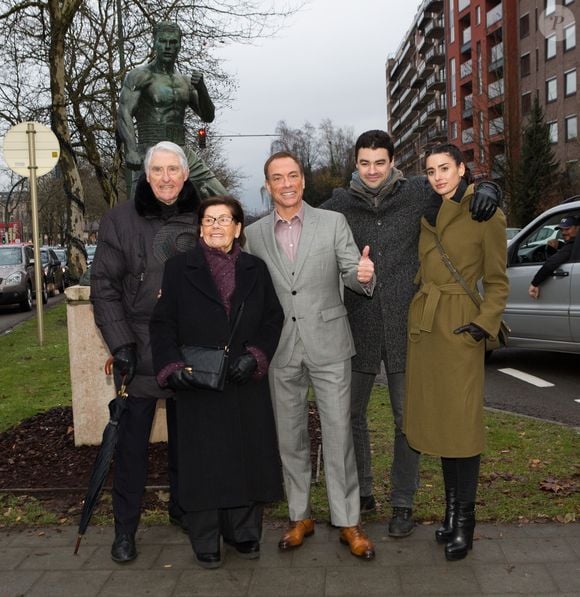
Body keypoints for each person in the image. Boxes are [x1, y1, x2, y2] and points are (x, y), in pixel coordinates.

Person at [321, 130, 501, 538]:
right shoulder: (338, 204)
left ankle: (403, 503)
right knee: (350, 416)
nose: (372, 170)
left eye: (379, 162)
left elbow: (460, 187)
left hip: (410, 328)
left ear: (392, 161)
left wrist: (491, 187)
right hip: (357, 325)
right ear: (356, 163)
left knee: (409, 420)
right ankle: (363, 491)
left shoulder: (420, 191)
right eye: (364, 163)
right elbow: (302, 220)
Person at [245, 151, 377, 560]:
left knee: (338, 435)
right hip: (280, 349)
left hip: (329, 344)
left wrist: (362, 275)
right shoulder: (253, 235)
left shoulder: (332, 223)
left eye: (293, 175)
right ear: (267, 187)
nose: (287, 183)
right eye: (277, 177)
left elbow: (350, 270)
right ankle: (299, 515)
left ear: (303, 180)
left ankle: (348, 520)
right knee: (290, 438)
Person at [149, 196, 284, 569]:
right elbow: (162, 324)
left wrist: (255, 356)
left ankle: (243, 533)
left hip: (243, 380)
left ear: (238, 228)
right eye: (209, 220)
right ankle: (205, 538)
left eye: (224, 220)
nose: (215, 227)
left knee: (246, 459)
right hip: (198, 382)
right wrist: (171, 366)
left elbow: (274, 318)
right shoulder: (179, 269)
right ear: (200, 227)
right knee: (205, 463)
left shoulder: (255, 268)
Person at [90, 141, 201, 563]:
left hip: (188, 348)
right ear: (147, 174)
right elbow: (104, 286)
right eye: (159, 170)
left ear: (185, 175)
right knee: (132, 447)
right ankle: (125, 530)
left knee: (188, 442)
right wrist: (121, 345)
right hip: (137, 347)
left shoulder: (203, 216)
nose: (167, 177)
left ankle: (184, 509)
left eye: (174, 169)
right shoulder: (119, 220)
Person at [404, 143, 509, 561]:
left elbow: (498, 282)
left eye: (445, 168)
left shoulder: (486, 213)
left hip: (461, 327)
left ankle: (466, 522)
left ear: (462, 168)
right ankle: (449, 515)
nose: (438, 177)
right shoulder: (427, 207)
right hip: (427, 326)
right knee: (443, 426)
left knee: (463, 427)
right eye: (431, 171)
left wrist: (481, 327)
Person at [117, 21, 226, 198]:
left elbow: (208, 116)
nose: (168, 46)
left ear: (180, 44)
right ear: (155, 42)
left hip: (181, 147)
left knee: (221, 196)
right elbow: (124, 112)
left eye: (173, 42)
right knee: (138, 208)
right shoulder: (140, 76)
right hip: (150, 147)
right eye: (163, 41)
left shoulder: (185, 81)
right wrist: (131, 150)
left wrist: (202, 90)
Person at [528, 215, 579, 299]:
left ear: (577, 228)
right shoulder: (573, 244)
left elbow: (551, 263)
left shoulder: (572, 245)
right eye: (561, 229)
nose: (563, 232)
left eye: (567, 229)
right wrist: (560, 245)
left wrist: (534, 283)